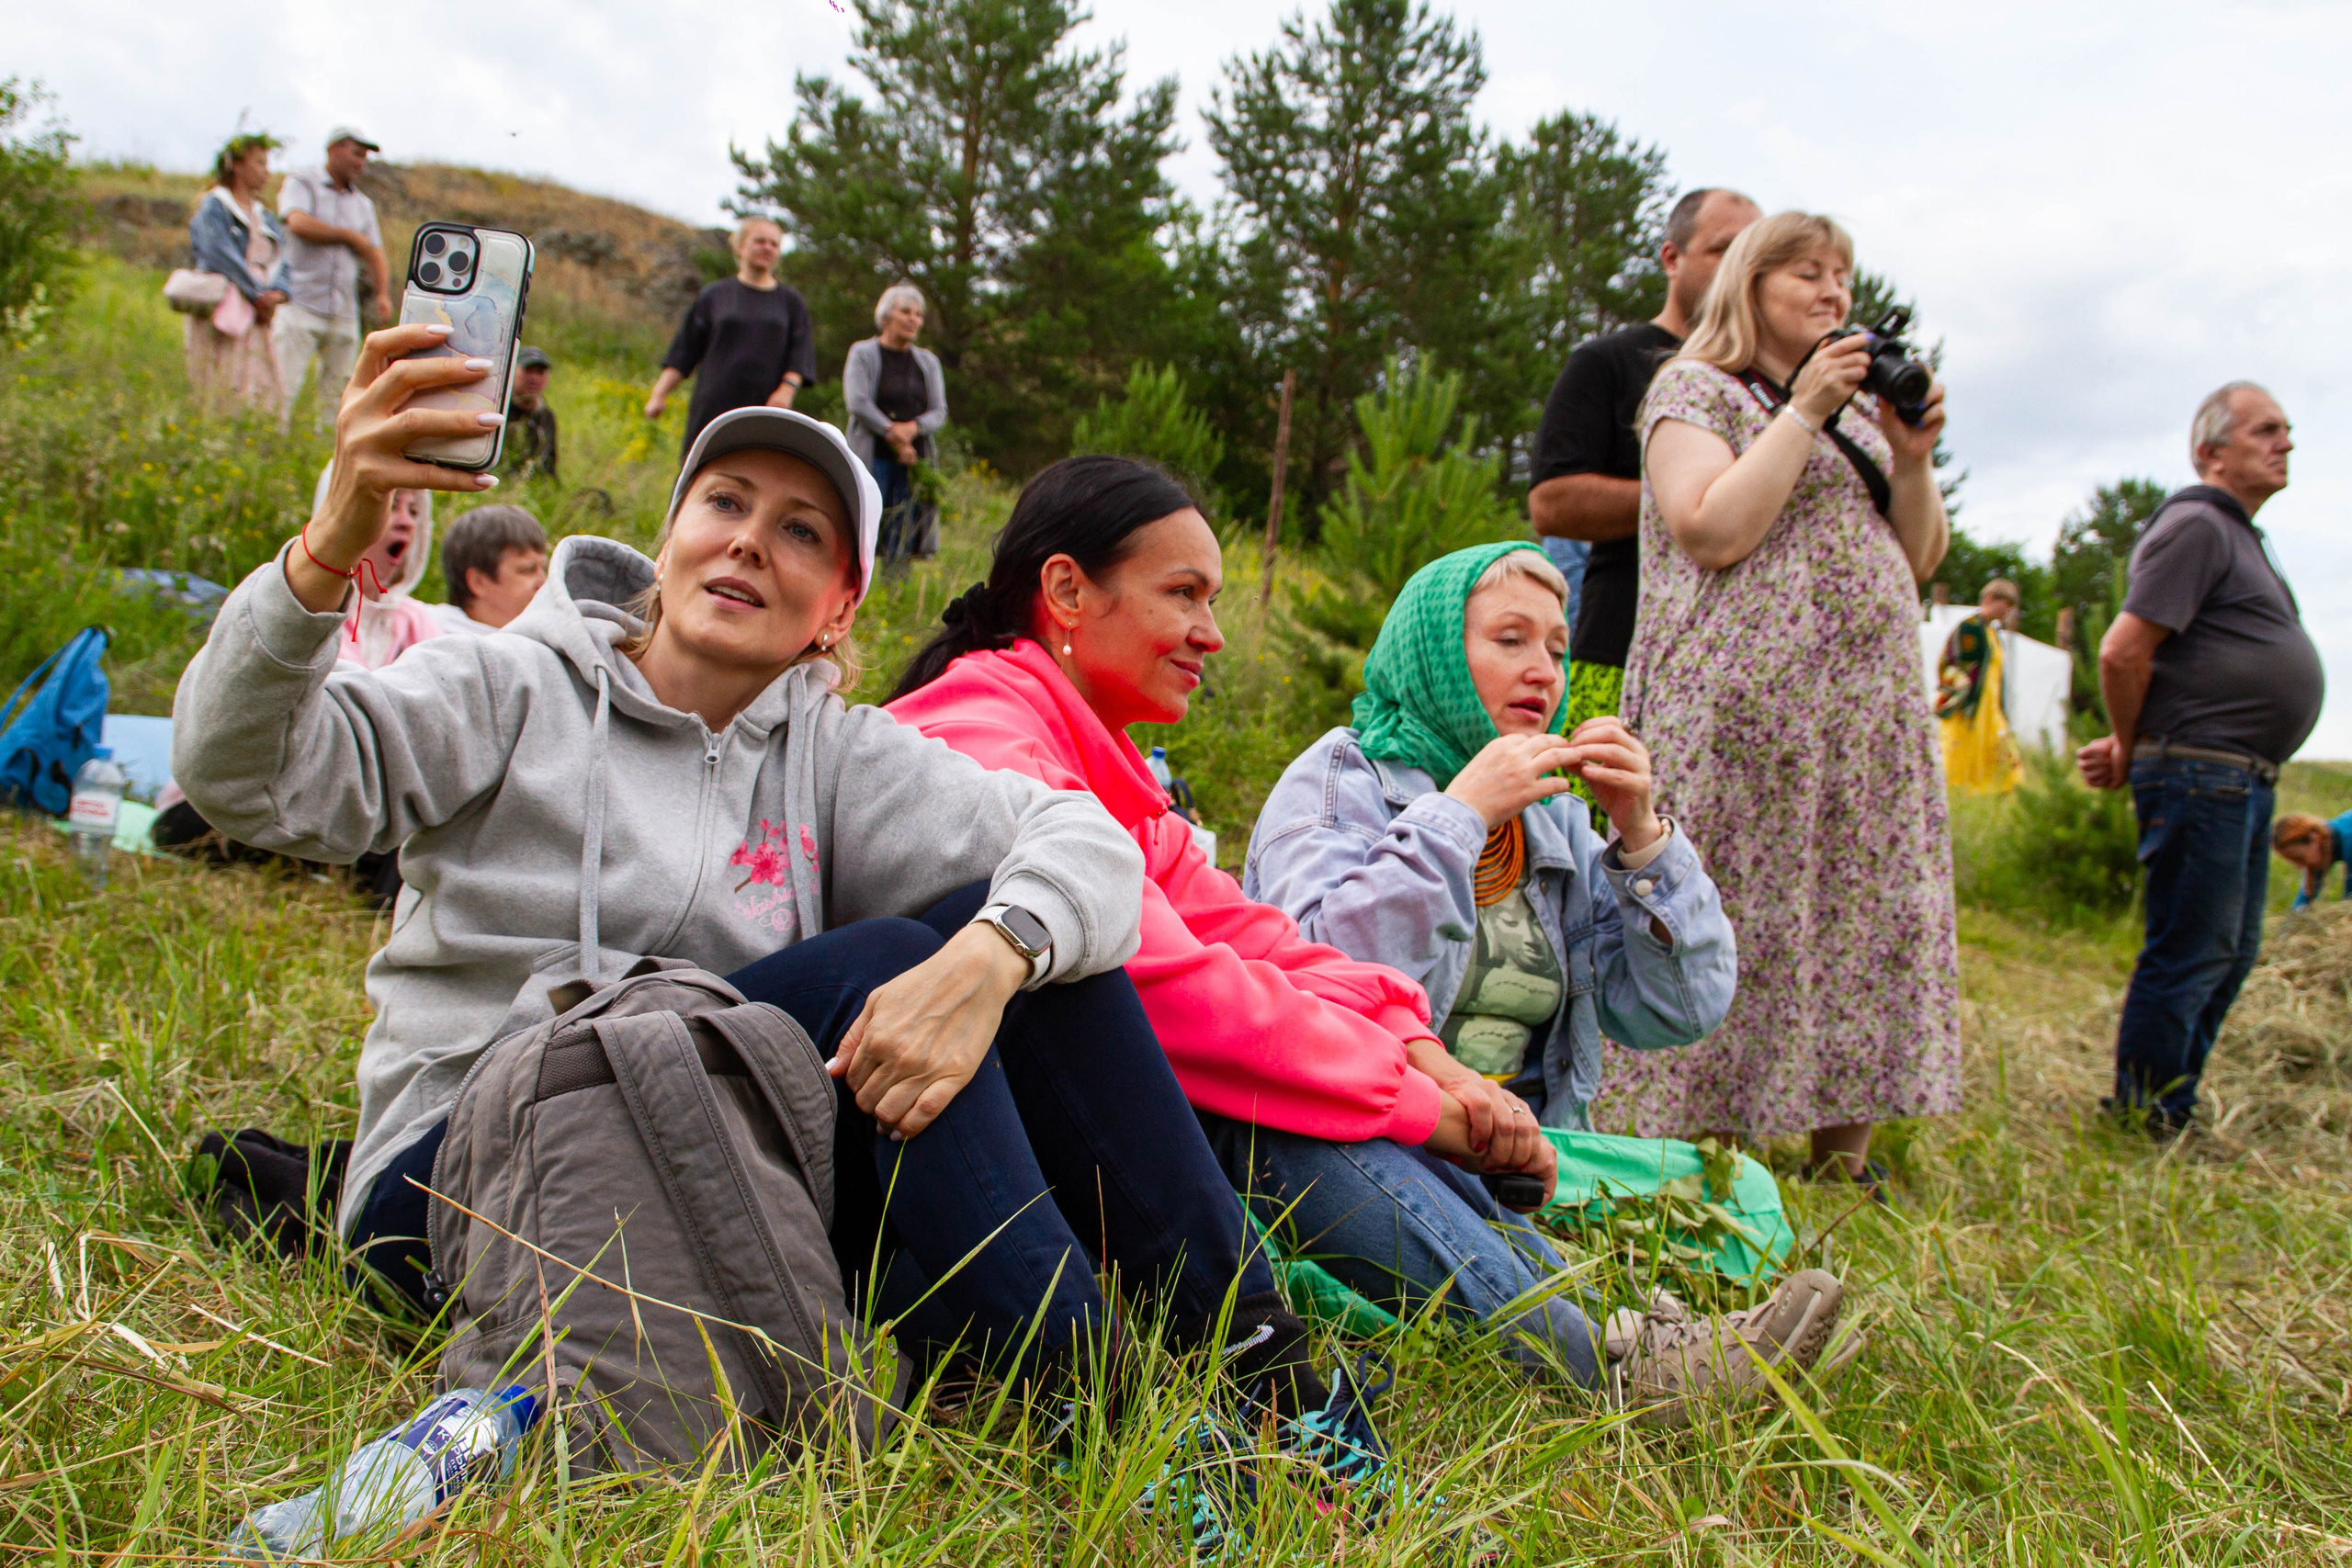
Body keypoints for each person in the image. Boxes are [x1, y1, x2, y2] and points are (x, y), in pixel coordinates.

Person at [171, 336, 1355, 1529]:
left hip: (720, 1173)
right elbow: (246, 777)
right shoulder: (509, 685)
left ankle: (1271, 1370)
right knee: (890, 961)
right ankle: (1101, 1411)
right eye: (725, 504)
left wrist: (992, 958)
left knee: (1006, 939)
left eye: (800, 531)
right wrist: (325, 551)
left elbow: (1086, 845)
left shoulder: (832, 757)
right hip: (466, 1187)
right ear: (672, 539)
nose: (748, 540)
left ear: (839, 606)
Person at [887, 458, 1849, 1426]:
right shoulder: (993, 739)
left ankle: (1615, 1335)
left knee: (1728, 1190)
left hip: (1396, 1133)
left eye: (1556, 649)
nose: (1213, 632)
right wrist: (1424, 1084)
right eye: (1183, 594)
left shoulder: (1549, 813)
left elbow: (1263, 942)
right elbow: (1184, 996)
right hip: (948, 1191)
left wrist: (1633, 846)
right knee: (1285, 1109)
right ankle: (1607, 1372)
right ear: (1066, 590)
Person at [1612, 210, 1958, 1191]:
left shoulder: (1859, 418)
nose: (1832, 292)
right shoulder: (1695, 390)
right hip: (1740, 719)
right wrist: (1801, 412)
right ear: (1749, 284)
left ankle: (1841, 1160)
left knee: (1859, 914)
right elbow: (1710, 529)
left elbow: (1919, 558)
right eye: (1806, 271)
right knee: (1733, 911)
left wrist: (1912, 458)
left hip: (1863, 722)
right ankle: (1706, 1148)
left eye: (1841, 275)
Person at [1246, 542, 1736, 1131]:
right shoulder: (1342, 778)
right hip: (1379, 1131)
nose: (1545, 672)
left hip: (1528, 1144)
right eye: (1511, 639)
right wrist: (1463, 814)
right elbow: (1315, 983)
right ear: (1436, 653)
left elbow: (1682, 1011)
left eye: (1557, 650)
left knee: (1748, 1184)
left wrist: (1641, 836)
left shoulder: (1552, 817)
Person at [2077, 381, 2319, 1139]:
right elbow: (2122, 651)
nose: (2286, 442)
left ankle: (2170, 1104)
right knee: (2191, 946)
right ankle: (2144, 1112)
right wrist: (2131, 745)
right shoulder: (2199, 526)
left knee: (2230, 949)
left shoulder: (2241, 536)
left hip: (2236, 775)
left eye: (2286, 430)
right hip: (2202, 772)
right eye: (2266, 430)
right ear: (2210, 451)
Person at [1528, 187, 1760, 812]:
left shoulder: (1777, 387)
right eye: (1723, 249)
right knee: (1589, 841)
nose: (1741, 267)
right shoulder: (1608, 363)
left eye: (1755, 254)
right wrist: (1695, 503)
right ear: (1671, 258)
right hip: (1622, 656)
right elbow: (1553, 503)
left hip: (1751, 673)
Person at [646, 218, 817, 456]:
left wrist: (786, 392)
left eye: (774, 244)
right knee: (702, 467)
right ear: (740, 247)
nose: (768, 248)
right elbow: (684, 352)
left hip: (766, 409)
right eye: (760, 241)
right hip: (713, 407)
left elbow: (799, 355)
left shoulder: (791, 303)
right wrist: (659, 395)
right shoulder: (714, 296)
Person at [274, 128, 390, 428]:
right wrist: (349, 236)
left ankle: (327, 447)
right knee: (282, 387)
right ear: (334, 149)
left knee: (338, 395)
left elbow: (374, 251)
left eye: (365, 158)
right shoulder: (302, 182)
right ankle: (270, 442)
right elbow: (297, 222)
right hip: (299, 302)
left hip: (343, 310)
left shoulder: (363, 204)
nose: (361, 163)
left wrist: (382, 294)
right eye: (356, 154)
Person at [843, 285, 948, 572]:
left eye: (918, 314)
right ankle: (853, 587)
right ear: (887, 315)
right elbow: (858, 401)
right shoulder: (863, 353)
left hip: (913, 462)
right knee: (860, 527)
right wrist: (894, 435)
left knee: (902, 532)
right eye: (906, 312)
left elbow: (939, 411)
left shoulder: (928, 362)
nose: (914, 319)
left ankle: (895, 592)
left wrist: (913, 428)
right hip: (872, 457)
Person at [185, 133, 291, 414]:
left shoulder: (264, 215)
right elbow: (218, 253)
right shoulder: (216, 205)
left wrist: (278, 293)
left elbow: (282, 258)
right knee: (219, 377)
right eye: (259, 163)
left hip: (258, 311)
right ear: (238, 166)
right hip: (228, 304)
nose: (266, 172)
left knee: (258, 379)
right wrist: (256, 293)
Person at [309, 464, 443, 669]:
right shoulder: (309, 616)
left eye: (414, 511)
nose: (408, 522)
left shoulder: (416, 622)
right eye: (391, 506)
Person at [1936, 579, 2025, 793]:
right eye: (2006, 604)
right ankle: (1959, 794)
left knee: (2004, 754)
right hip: (1970, 707)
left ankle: (2003, 795)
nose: (2008, 611)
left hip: (1991, 709)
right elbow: (1950, 664)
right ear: (1991, 599)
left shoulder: (1992, 633)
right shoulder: (1969, 628)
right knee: (1961, 754)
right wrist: (1960, 686)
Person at [432, 503, 548, 633]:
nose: (543, 583)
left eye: (543, 569)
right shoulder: (426, 635)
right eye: (527, 570)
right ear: (478, 582)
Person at [502, 346, 560, 483]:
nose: (534, 378)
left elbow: (549, 466)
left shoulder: (546, 416)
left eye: (540, 372)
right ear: (512, 371)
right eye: (528, 371)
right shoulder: (499, 411)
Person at [2274, 811, 2350, 908]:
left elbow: (2348, 905)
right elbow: (2302, 903)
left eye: (2299, 858)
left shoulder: (2348, 841)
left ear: (2315, 839)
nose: (2298, 866)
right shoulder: (2325, 842)